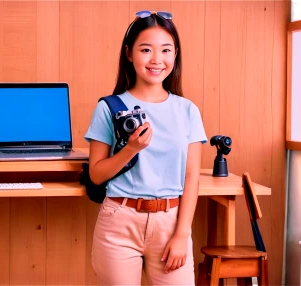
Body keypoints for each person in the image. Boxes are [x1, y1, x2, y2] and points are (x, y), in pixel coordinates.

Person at [84, 10, 208, 285]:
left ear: (175, 55)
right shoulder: (109, 108)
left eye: (166, 50)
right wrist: (130, 149)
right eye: (146, 50)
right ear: (129, 54)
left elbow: (191, 178)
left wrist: (181, 234)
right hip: (119, 220)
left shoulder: (187, 110)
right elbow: (96, 175)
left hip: (171, 223)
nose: (156, 60)